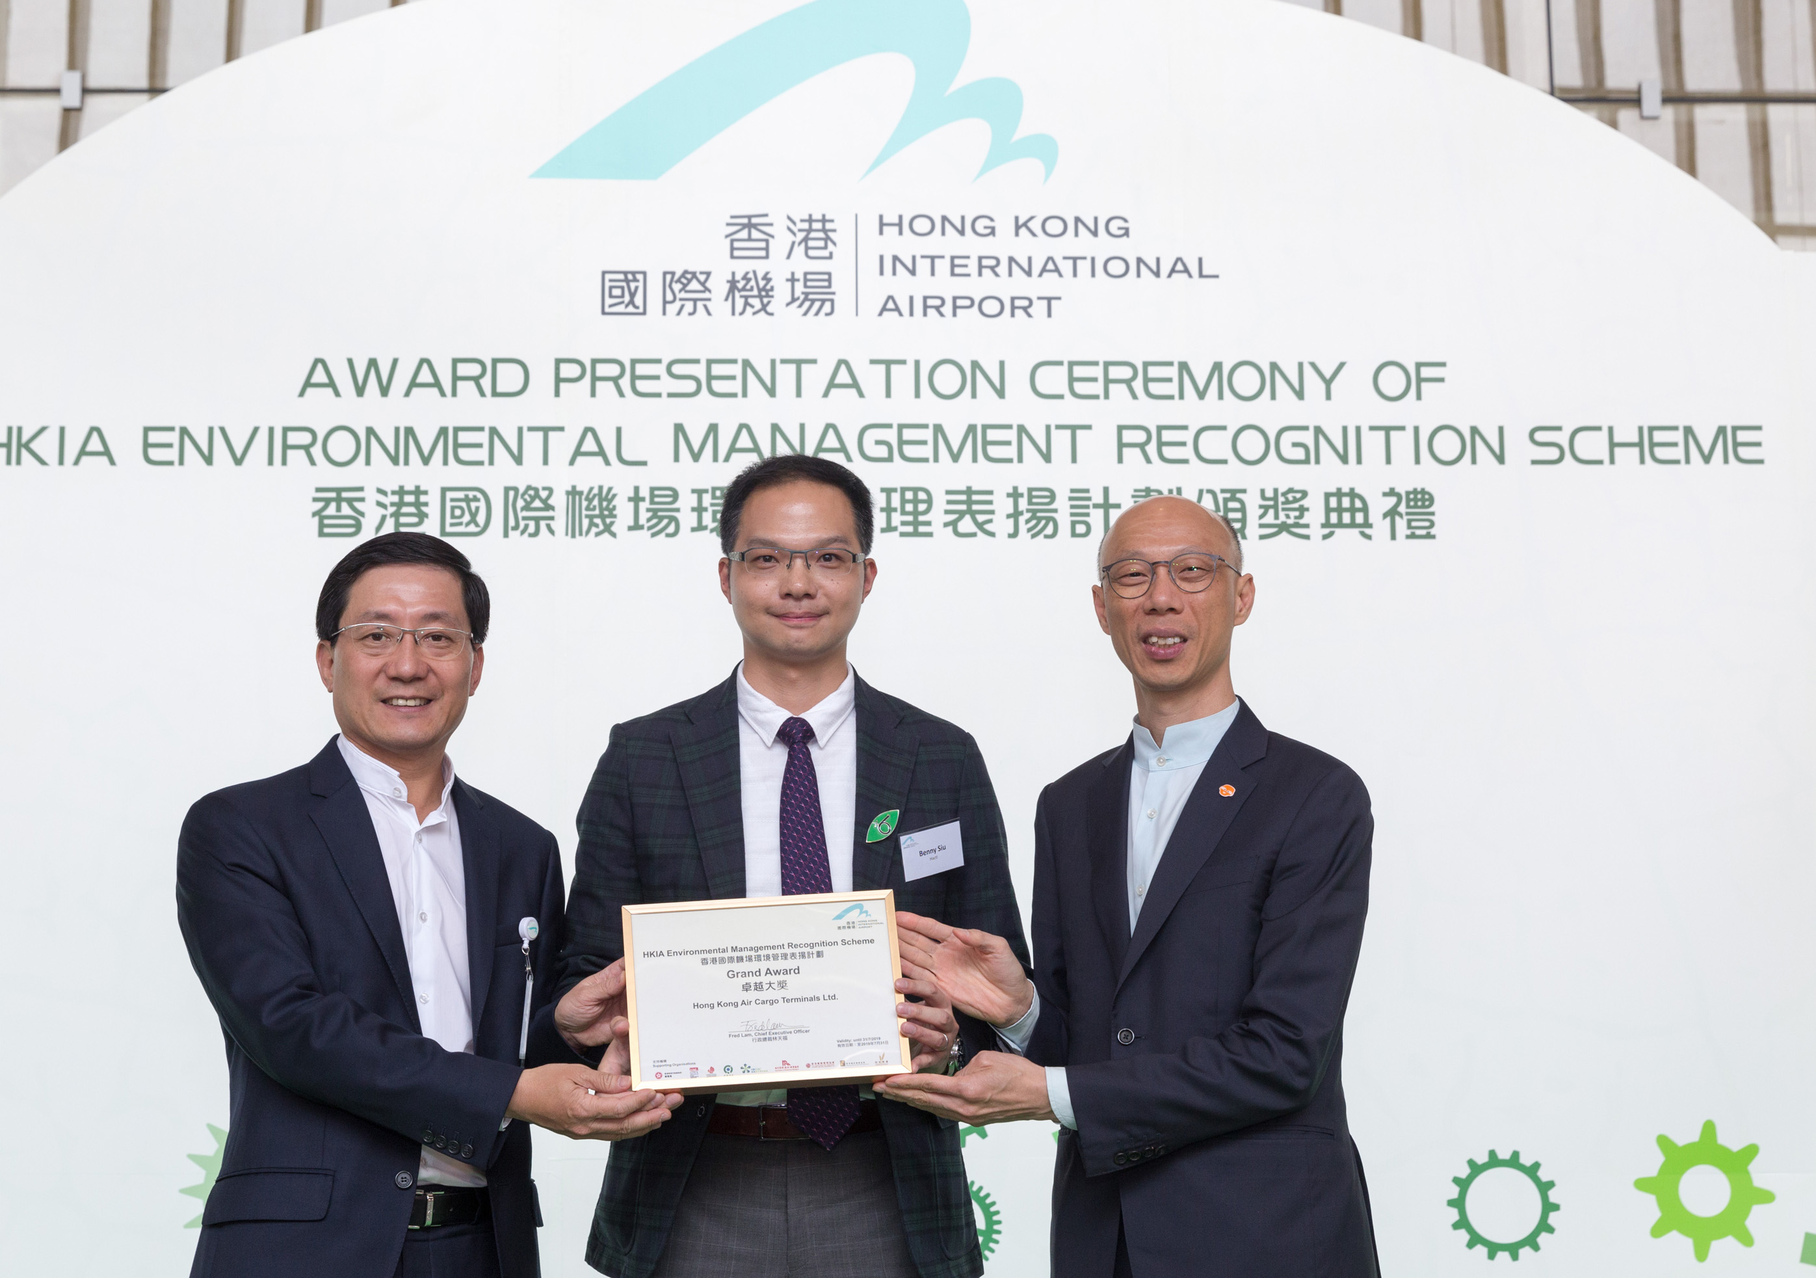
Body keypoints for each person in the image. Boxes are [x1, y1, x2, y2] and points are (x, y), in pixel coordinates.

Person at [877, 496, 1380, 1278]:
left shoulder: (1315, 793)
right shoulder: (1070, 803)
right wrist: (1022, 1009)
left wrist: (1050, 1093)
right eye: (1132, 576)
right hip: (1104, 1238)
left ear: (1241, 596)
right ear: (1101, 607)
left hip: (1270, 1233)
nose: (1161, 597)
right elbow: (1098, 1044)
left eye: (1192, 571)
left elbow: (1285, 1054)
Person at [560, 454, 1031, 1278]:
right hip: (696, 1173)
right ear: (726, 575)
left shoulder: (940, 757)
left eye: (827, 556)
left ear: (867, 574)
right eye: (768, 557)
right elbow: (580, 974)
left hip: (884, 1172)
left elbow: (994, 983)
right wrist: (581, 1020)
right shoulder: (645, 758)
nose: (798, 581)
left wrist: (957, 1030)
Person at [177, 533, 682, 1278]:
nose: (408, 663)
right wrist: (513, 1086)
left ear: (475, 666)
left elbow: (510, 1055)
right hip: (302, 1248)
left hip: (484, 1245)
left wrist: (563, 1031)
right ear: (327, 659)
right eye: (376, 634)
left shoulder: (522, 846)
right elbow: (291, 1026)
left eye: (439, 638)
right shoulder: (241, 827)